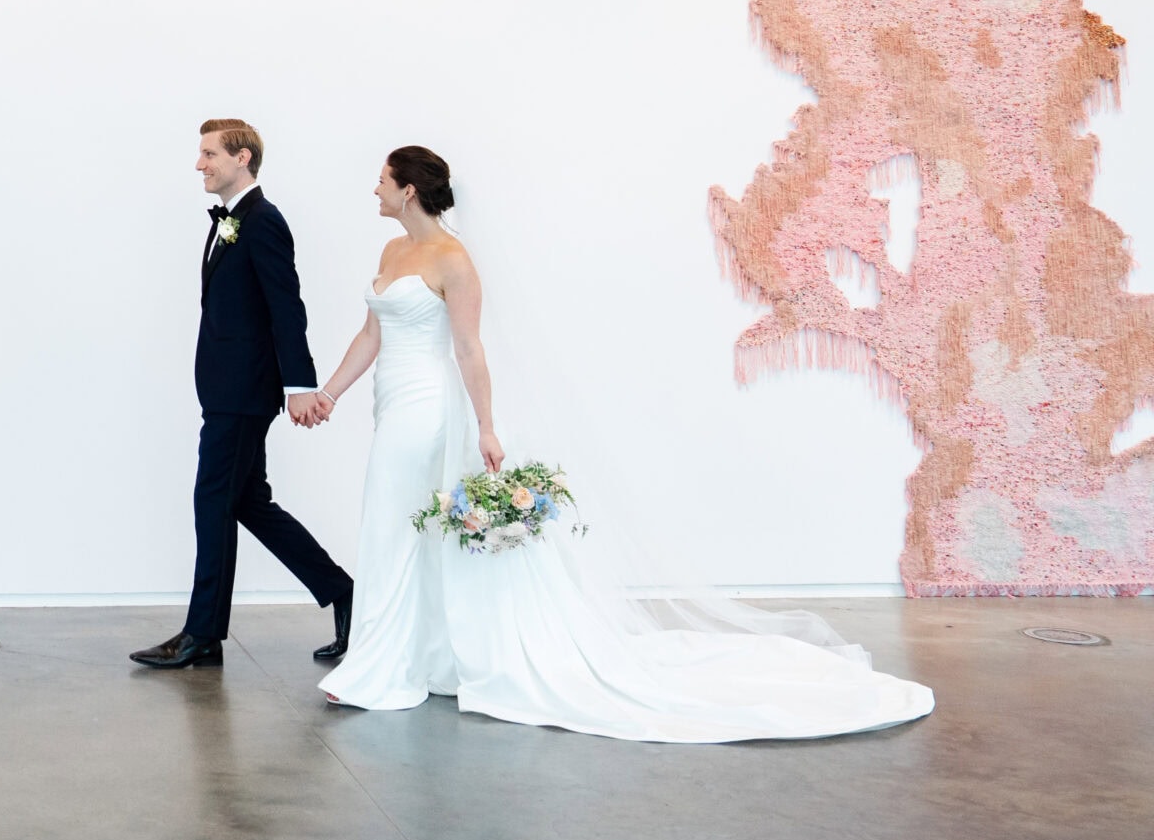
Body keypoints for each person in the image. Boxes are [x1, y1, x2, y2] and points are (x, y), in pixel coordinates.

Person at [302, 145, 934, 741]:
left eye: (383, 179)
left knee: (392, 522)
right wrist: (330, 392)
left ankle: (380, 669)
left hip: (429, 408)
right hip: (392, 401)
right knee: (401, 525)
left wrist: (487, 425)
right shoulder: (390, 252)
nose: (375, 188)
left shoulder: (454, 262)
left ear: (408, 189)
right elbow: (370, 334)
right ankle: (419, 656)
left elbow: (469, 348)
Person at [131, 120, 353, 670]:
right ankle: (346, 593)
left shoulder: (263, 222)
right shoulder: (230, 221)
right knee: (248, 503)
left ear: (242, 158)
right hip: (228, 388)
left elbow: (287, 307)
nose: (200, 164)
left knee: (213, 501)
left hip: (244, 393)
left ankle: (201, 634)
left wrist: (299, 385)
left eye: (209, 154)